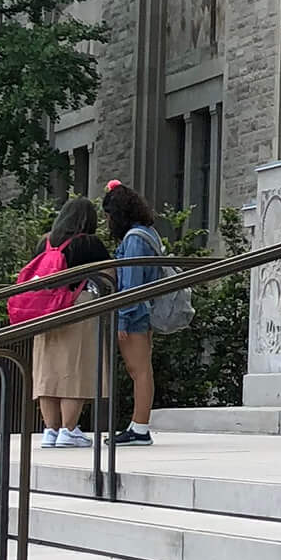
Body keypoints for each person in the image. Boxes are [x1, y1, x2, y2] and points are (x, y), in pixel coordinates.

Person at [15, 199, 111, 448]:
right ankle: (70, 430)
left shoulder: (45, 242)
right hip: (77, 306)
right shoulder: (88, 243)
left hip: (45, 311)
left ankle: (50, 430)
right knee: (75, 368)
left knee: (47, 370)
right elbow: (109, 275)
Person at [103, 180, 164, 445]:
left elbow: (132, 282)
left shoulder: (134, 239)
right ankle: (138, 425)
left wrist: (123, 319)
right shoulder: (147, 233)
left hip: (135, 313)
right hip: (142, 310)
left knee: (139, 370)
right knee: (140, 369)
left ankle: (140, 428)